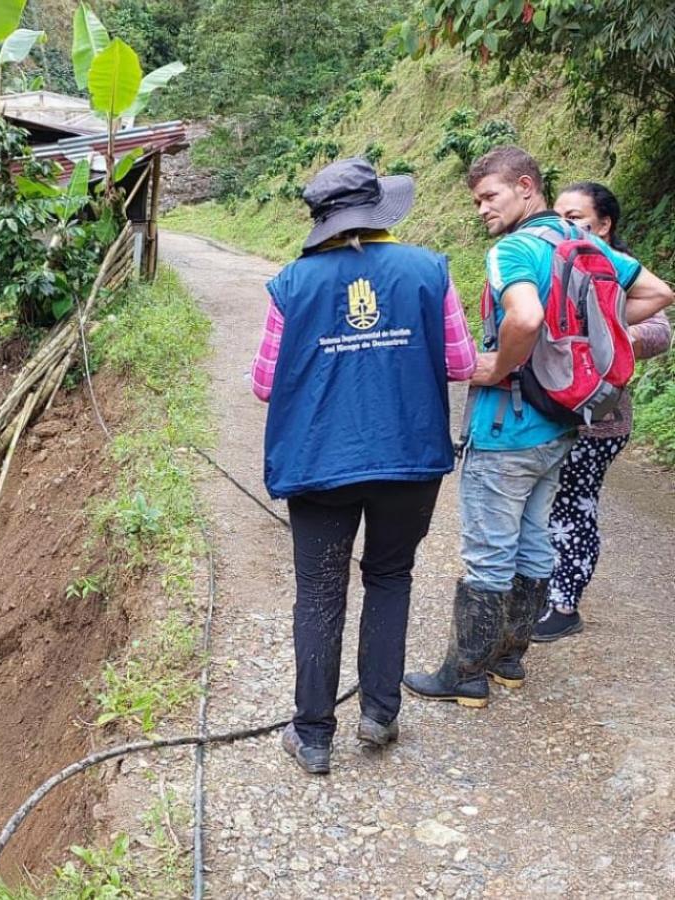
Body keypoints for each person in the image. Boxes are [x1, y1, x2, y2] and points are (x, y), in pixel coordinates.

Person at [404, 148, 674, 708]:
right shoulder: (584, 245)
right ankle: (510, 660)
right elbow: (658, 293)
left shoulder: (515, 248)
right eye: (476, 200)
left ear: (527, 187)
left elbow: (523, 318)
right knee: (532, 541)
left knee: (489, 550)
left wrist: (500, 365)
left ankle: (466, 675)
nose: (481, 209)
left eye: (489, 196)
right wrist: (586, 328)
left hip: (508, 426)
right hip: (563, 423)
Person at [252, 157, 477, 775]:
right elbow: (460, 362)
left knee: (319, 593)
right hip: (408, 460)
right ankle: (379, 715)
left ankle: (314, 736)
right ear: (379, 214)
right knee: (389, 576)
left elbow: (265, 383)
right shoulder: (430, 271)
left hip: (321, 464)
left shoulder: (291, 284)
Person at [533, 182, 672, 641]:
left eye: (576, 217)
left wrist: (612, 333)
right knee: (547, 504)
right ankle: (541, 588)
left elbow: (658, 331)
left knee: (574, 504)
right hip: (551, 412)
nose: (565, 225)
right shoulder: (560, 261)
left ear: (605, 224)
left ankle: (564, 603)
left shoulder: (624, 273)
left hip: (601, 419)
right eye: (560, 216)